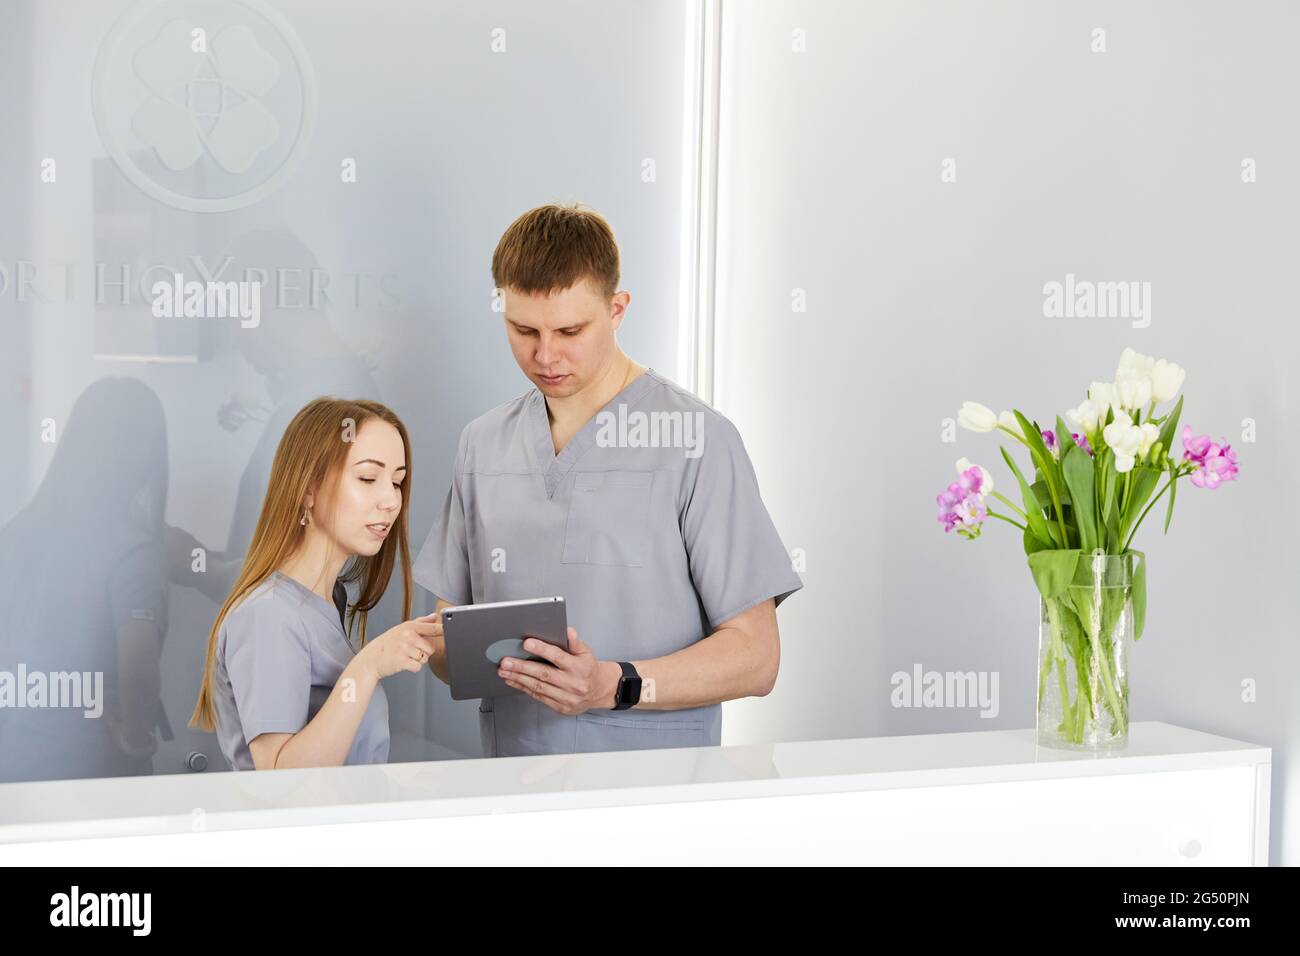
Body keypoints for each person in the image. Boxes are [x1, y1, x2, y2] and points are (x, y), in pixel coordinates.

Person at [413, 202, 803, 757]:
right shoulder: (483, 442)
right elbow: (447, 647)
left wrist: (613, 685)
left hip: (650, 798)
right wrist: (431, 649)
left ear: (617, 309)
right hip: (508, 787)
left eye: (570, 330)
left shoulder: (697, 441)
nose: (545, 355)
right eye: (523, 329)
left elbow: (756, 657)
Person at [189, 397, 437, 770]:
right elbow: (281, 778)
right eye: (368, 478)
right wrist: (368, 667)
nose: (391, 500)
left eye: (397, 482)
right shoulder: (269, 615)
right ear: (308, 488)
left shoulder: (328, 602)